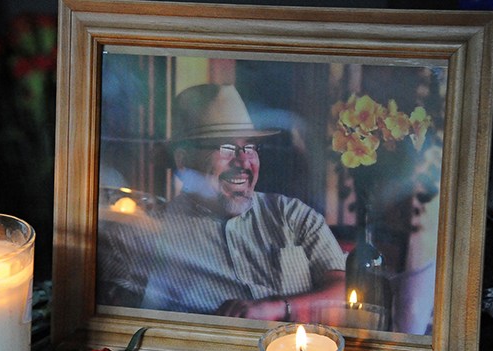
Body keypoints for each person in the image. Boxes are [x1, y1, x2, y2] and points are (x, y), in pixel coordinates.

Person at [97, 84, 346, 322]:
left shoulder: (291, 215)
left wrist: (276, 307)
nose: (243, 161)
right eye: (227, 148)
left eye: (249, 147)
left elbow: (343, 293)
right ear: (184, 161)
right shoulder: (140, 237)